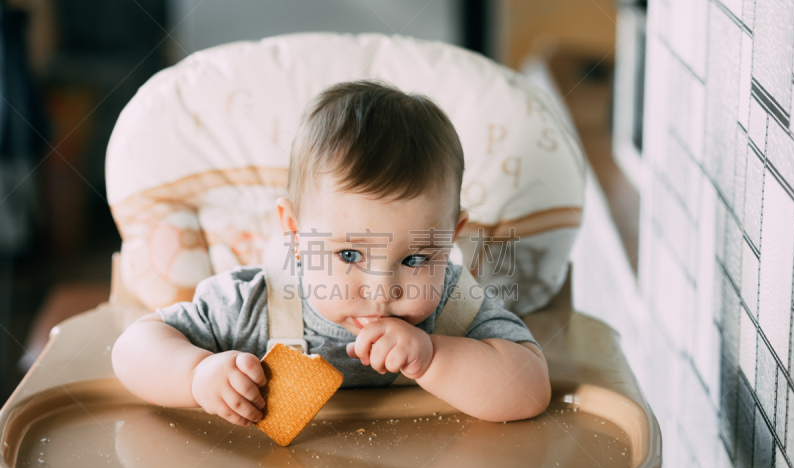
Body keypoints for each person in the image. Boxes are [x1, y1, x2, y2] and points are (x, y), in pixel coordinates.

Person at [112, 80, 551, 429]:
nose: (382, 291)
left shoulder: (456, 309)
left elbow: (531, 389)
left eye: (416, 259)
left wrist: (435, 357)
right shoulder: (252, 306)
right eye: (348, 254)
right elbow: (133, 347)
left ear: (450, 239)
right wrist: (196, 375)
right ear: (295, 233)